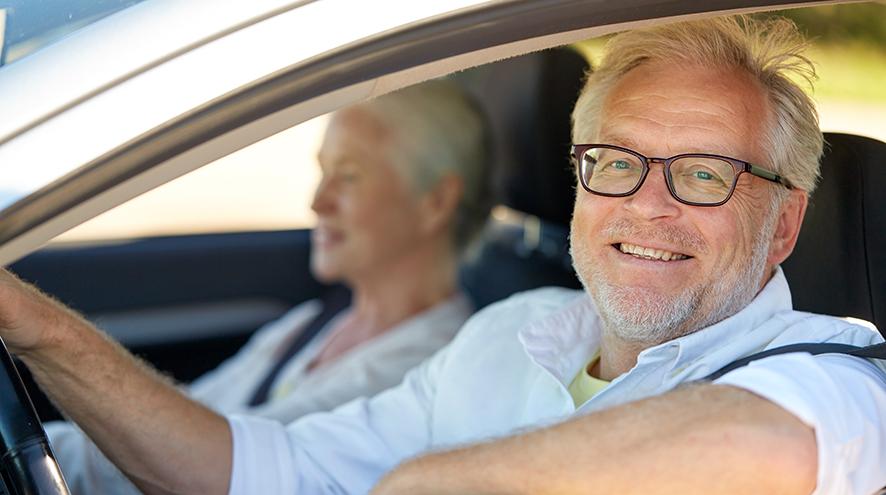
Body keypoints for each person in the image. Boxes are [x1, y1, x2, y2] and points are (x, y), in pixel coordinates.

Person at [0, 14, 884, 495]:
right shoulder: (514, 329)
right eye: (615, 163)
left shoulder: (834, 372)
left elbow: (781, 436)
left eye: (704, 173)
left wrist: (422, 483)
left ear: (782, 226)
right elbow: (267, 471)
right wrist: (36, 327)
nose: (646, 204)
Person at [37, 80, 492, 494]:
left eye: (349, 175)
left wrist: (41, 333)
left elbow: (219, 466)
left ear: (436, 201)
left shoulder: (427, 373)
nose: (318, 201)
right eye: (323, 171)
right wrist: (47, 456)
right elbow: (184, 412)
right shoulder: (315, 322)